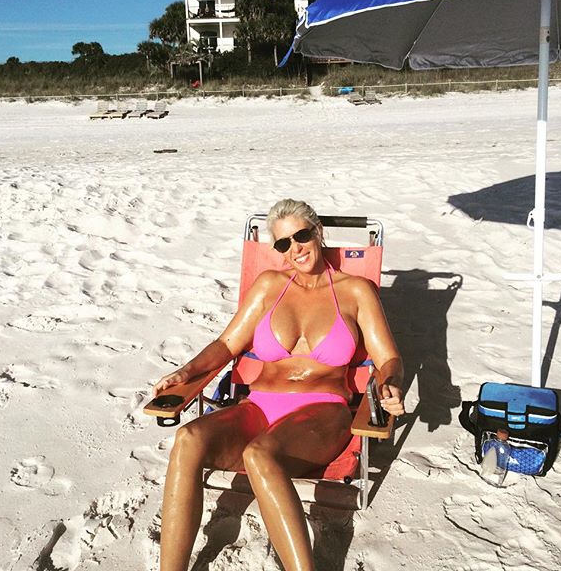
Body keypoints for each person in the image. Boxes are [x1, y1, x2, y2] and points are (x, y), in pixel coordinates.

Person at [153, 198, 405, 571]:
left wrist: (390, 384)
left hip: (323, 412)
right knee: (188, 438)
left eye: (301, 236)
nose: (295, 249)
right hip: (259, 406)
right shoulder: (269, 285)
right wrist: (186, 372)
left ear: (318, 232)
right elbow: (227, 344)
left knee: (260, 454)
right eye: (283, 243)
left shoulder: (355, 290)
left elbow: (388, 360)